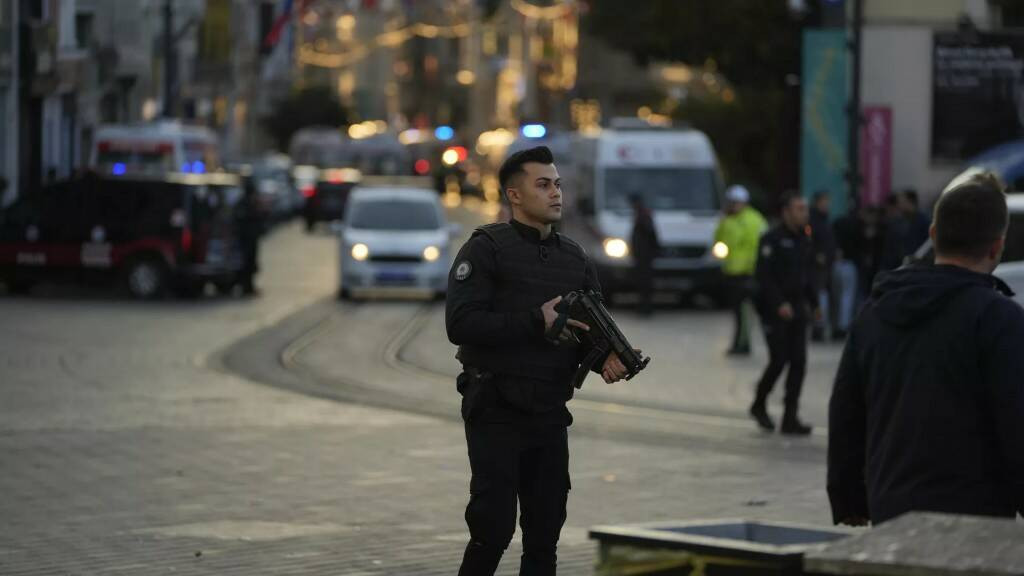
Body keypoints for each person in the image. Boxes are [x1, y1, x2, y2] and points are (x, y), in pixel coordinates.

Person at [446, 146, 631, 576]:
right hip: (495, 406)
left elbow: (589, 329)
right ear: (514, 195)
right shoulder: (486, 249)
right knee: (492, 529)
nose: (555, 193)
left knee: (545, 534)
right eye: (543, 185)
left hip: (548, 411)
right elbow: (461, 324)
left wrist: (606, 358)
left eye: (558, 185)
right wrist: (535, 320)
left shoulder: (574, 258)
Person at [828, 171, 1024, 527]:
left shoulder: (875, 311)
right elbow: (1016, 420)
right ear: (997, 246)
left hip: (891, 511)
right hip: (975, 519)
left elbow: (846, 412)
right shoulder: (998, 319)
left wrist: (849, 498)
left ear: (933, 235)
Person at [750, 193, 819, 435]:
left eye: (805, 209)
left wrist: (815, 304)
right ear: (786, 212)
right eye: (799, 209)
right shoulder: (771, 239)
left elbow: (807, 276)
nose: (804, 213)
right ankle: (759, 403)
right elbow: (764, 277)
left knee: (798, 362)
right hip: (774, 311)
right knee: (779, 360)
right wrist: (779, 303)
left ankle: (790, 417)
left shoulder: (804, 239)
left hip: (798, 309)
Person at [714, 185, 767, 355]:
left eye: (735, 202)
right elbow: (719, 240)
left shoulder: (754, 220)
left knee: (743, 312)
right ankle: (739, 342)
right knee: (737, 312)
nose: (732, 205)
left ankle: (743, 344)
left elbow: (760, 247)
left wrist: (756, 271)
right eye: (731, 202)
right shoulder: (727, 220)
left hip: (747, 274)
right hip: (731, 272)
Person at [831, 207, 862, 341]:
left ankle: (835, 326)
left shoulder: (837, 224)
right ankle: (842, 327)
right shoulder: (856, 225)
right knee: (847, 297)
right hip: (849, 264)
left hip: (836, 264)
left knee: (836, 297)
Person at [809, 191, 836, 342]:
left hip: (827, 264)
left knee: (824, 296)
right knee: (819, 297)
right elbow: (810, 241)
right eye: (824, 201)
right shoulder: (813, 220)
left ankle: (822, 325)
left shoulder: (825, 219)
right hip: (817, 266)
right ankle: (818, 327)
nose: (826, 204)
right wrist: (817, 255)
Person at [629, 194, 660, 316]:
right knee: (643, 281)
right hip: (642, 255)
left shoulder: (643, 215)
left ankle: (646, 306)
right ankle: (644, 305)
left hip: (644, 255)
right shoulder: (641, 214)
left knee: (645, 281)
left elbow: (651, 234)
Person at [236, 177, 267, 296]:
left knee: (250, 262)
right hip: (247, 238)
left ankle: (248, 286)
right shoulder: (245, 204)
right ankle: (246, 287)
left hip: (251, 237)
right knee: (247, 263)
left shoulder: (250, 203)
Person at [899, 188, 930, 258]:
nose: (900, 205)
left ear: (910, 201)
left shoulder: (923, 221)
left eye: (902, 202)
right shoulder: (902, 220)